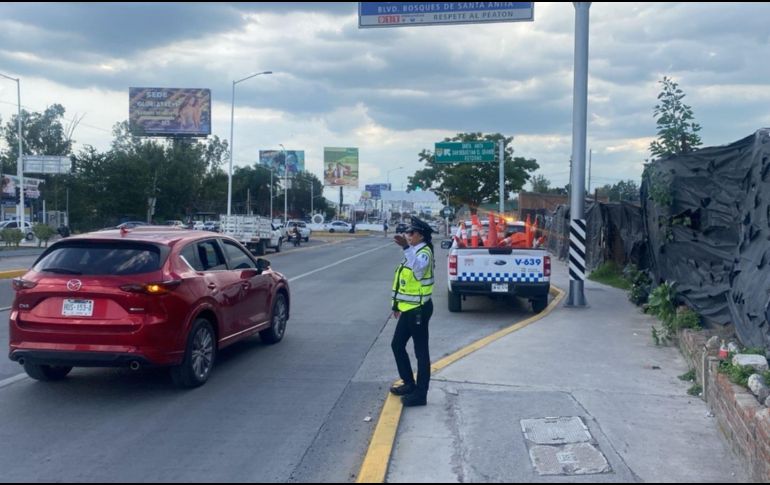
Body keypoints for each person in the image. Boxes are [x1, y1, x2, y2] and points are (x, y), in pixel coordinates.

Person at [389, 216, 435, 407]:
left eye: (411, 233)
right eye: (407, 232)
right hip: (408, 308)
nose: (408, 235)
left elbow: (417, 271)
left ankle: (421, 394)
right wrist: (396, 304)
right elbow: (404, 281)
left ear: (420, 235)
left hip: (419, 309)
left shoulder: (424, 253)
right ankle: (409, 383)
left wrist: (406, 248)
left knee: (421, 351)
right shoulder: (414, 251)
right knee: (397, 345)